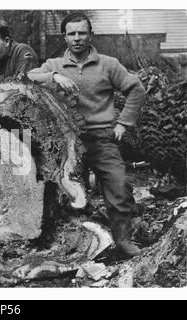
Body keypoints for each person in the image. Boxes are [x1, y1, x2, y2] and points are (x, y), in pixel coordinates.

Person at [28, 12, 146, 257]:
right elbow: (27, 78)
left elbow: (136, 89)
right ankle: (75, 246)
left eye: (82, 33)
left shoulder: (108, 64)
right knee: (69, 195)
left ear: (90, 34)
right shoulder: (54, 65)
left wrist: (124, 123)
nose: (77, 38)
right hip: (69, 143)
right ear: (65, 37)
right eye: (72, 34)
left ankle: (123, 241)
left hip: (103, 138)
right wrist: (54, 77)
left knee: (119, 186)